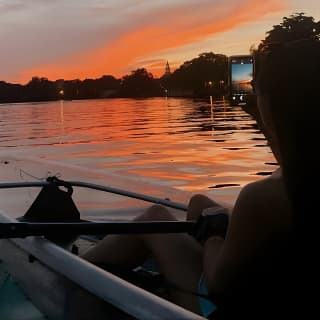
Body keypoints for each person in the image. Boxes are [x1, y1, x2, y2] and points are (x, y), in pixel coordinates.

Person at [80, 37, 320, 319]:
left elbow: (219, 286)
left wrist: (215, 235)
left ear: (273, 104)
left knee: (155, 218)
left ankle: (67, 274)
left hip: (221, 308)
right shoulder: (301, 174)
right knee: (199, 202)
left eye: (258, 89)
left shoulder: (266, 197)